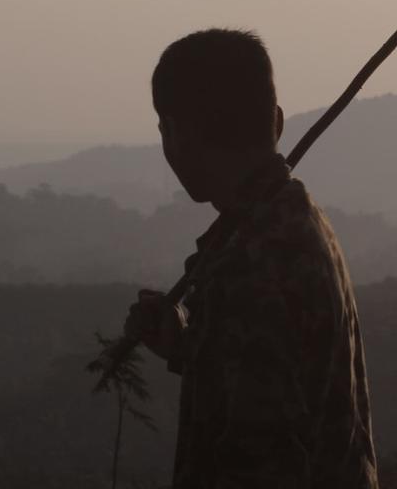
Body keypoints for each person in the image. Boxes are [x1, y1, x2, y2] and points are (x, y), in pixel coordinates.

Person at [127, 28, 378, 488]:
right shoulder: (297, 223)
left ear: (173, 133)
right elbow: (278, 377)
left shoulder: (251, 265)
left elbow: (262, 458)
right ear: (278, 122)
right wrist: (190, 346)